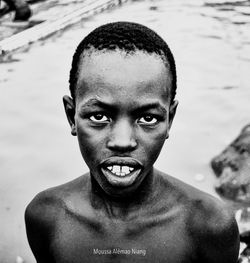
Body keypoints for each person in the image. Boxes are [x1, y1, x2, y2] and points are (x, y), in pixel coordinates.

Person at [25, 21, 240, 263]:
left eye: (148, 118)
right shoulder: (47, 217)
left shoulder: (208, 226)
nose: (122, 142)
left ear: (170, 119)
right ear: (71, 116)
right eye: (99, 116)